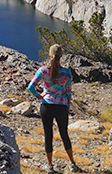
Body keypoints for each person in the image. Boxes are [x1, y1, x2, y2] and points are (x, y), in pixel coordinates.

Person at [28, 44, 81, 173]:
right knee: (64, 134)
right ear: (61, 56)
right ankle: (72, 163)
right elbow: (68, 93)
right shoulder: (67, 73)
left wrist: (39, 96)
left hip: (46, 105)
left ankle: (50, 166)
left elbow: (31, 87)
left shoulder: (43, 71)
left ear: (50, 55)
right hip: (61, 106)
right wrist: (67, 106)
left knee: (48, 135)